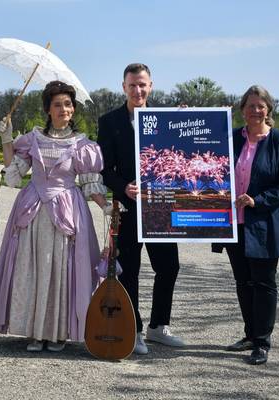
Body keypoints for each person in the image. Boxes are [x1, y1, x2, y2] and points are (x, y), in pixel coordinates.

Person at [0, 81, 113, 352]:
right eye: (57, 104)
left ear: (73, 108)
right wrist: (6, 138)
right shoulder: (32, 139)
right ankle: (35, 331)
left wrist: (106, 206)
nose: (63, 109)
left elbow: (90, 182)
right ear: (48, 109)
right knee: (32, 267)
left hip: (67, 211)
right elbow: (14, 174)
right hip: (32, 211)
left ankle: (57, 332)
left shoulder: (82, 145)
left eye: (68, 104)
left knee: (60, 268)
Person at [97, 63, 185, 355]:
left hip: (160, 206)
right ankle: (133, 329)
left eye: (142, 84)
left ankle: (158, 326)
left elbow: (182, 154)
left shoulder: (166, 119)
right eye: (132, 85)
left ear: (151, 86)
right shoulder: (109, 121)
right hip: (128, 207)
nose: (138, 90)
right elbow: (104, 169)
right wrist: (123, 187)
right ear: (124, 87)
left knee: (168, 267)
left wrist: (187, 120)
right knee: (129, 270)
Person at [215, 85, 279, 365]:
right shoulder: (231, 138)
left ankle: (262, 342)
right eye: (250, 106)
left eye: (260, 106)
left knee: (263, 283)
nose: (255, 110)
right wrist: (184, 115)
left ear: (268, 109)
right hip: (233, 223)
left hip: (264, 223)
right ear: (242, 110)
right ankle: (250, 334)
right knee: (243, 281)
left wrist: (257, 200)